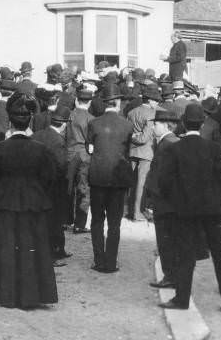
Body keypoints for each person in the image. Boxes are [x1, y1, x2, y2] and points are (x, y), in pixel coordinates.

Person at [0, 94, 59, 309]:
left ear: (10, 121)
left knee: (5, 246)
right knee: (32, 246)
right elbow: (50, 179)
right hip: (33, 202)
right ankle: (31, 295)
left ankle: (4, 293)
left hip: (5, 202)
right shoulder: (41, 150)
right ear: (30, 120)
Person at [158, 103, 221, 310]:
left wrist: (176, 202)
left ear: (183, 123)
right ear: (202, 124)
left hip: (186, 211)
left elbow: (165, 182)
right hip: (213, 211)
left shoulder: (175, 149)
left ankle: (181, 299)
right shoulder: (214, 148)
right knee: (219, 255)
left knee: (186, 256)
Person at [85, 82, 134, 273]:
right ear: (118, 102)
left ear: (106, 102)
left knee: (97, 220)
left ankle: (99, 261)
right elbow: (128, 151)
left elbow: (90, 149)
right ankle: (111, 262)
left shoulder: (93, 123)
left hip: (97, 177)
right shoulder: (127, 125)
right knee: (115, 222)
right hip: (119, 178)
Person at [143, 108, 181, 289]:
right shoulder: (173, 142)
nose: (153, 126)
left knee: (165, 240)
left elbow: (158, 176)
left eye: (156, 123)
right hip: (172, 201)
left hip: (164, 201)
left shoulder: (166, 144)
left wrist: (150, 202)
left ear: (167, 125)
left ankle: (170, 276)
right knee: (170, 239)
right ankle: (173, 275)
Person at [31, 104, 72, 262]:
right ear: (63, 124)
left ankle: (58, 250)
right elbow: (61, 166)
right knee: (54, 220)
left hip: (36, 184)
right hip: (53, 186)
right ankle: (52, 254)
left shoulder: (37, 135)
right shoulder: (58, 141)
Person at [126, 83, 160, 221]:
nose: (157, 103)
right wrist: (138, 137)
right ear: (150, 100)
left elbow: (129, 133)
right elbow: (145, 138)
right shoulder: (151, 114)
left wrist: (133, 136)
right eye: (156, 100)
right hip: (146, 153)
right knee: (142, 183)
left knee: (133, 183)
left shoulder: (131, 112)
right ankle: (137, 213)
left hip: (132, 151)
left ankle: (131, 210)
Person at [66, 83, 94, 233]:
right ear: (89, 102)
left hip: (70, 153)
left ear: (77, 100)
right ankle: (80, 224)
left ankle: (66, 220)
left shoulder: (69, 115)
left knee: (68, 188)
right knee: (83, 188)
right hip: (84, 155)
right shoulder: (92, 119)